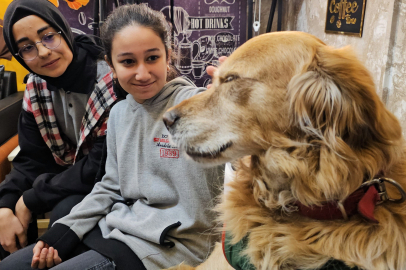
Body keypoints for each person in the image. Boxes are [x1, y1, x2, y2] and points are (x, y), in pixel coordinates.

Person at [0, 3, 224, 270]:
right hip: (118, 230)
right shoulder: (118, 112)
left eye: (152, 58)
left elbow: (250, 130)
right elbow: (110, 184)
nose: (142, 73)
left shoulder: (197, 105)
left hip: (169, 246)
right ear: (112, 65)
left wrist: (230, 98)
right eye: (128, 61)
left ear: (168, 55)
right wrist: (63, 233)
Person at [0, 0, 118, 259]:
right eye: (27, 47)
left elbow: (101, 165)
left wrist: (32, 198)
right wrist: (6, 204)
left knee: (64, 212)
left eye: (48, 37)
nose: (42, 52)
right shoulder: (36, 87)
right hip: (65, 178)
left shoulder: (111, 79)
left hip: (109, 183)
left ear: (64, 31)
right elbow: (32, 158)